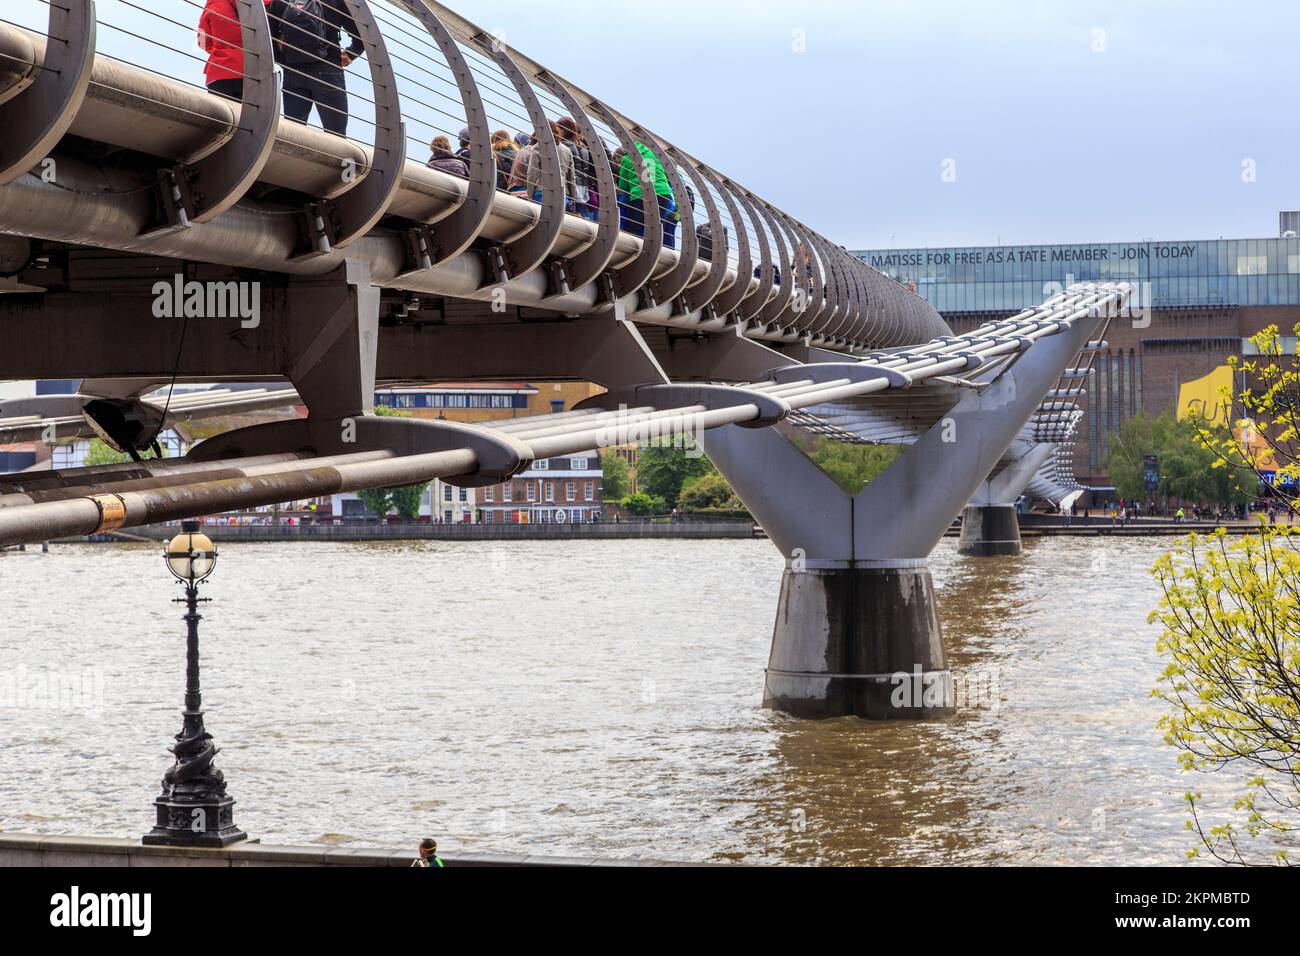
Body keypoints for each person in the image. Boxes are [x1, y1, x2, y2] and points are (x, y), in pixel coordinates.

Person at [268, 0, 365, 136]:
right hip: (328, 71)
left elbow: (269, 34)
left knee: (293, 135)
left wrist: (286, 61)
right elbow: (361, 33)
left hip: (294, 71)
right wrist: (351, 53)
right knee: (336, 135)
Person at [617, 141, 676, 248]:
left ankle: (630, 255)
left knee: (631, 229)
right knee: (656, 229)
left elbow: (623, 186)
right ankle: (653, 254)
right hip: (664, 194)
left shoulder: (626, 158)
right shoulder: (653, 154)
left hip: (640, 196)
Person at [198, 0, 250, 99]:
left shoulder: (213, 3)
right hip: (251, 71)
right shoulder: (259, 5)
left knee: (222, 113)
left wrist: (220, 50)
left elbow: (203, 42)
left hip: (219, 71)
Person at [525, 122, 578, 210]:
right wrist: (573, 199)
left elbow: (531, 174)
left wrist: (530, 196)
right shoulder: (567, 151)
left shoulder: (538, 147)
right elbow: (571, 178)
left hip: (541, 193)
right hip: (561, 195)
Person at [557, 117, 598, 221]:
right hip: (583, 188)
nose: (556, 132)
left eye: (558, 129)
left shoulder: (565, 146)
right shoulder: (584, 149)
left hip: (572, 186)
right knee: (583, 215)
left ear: (564, 130)